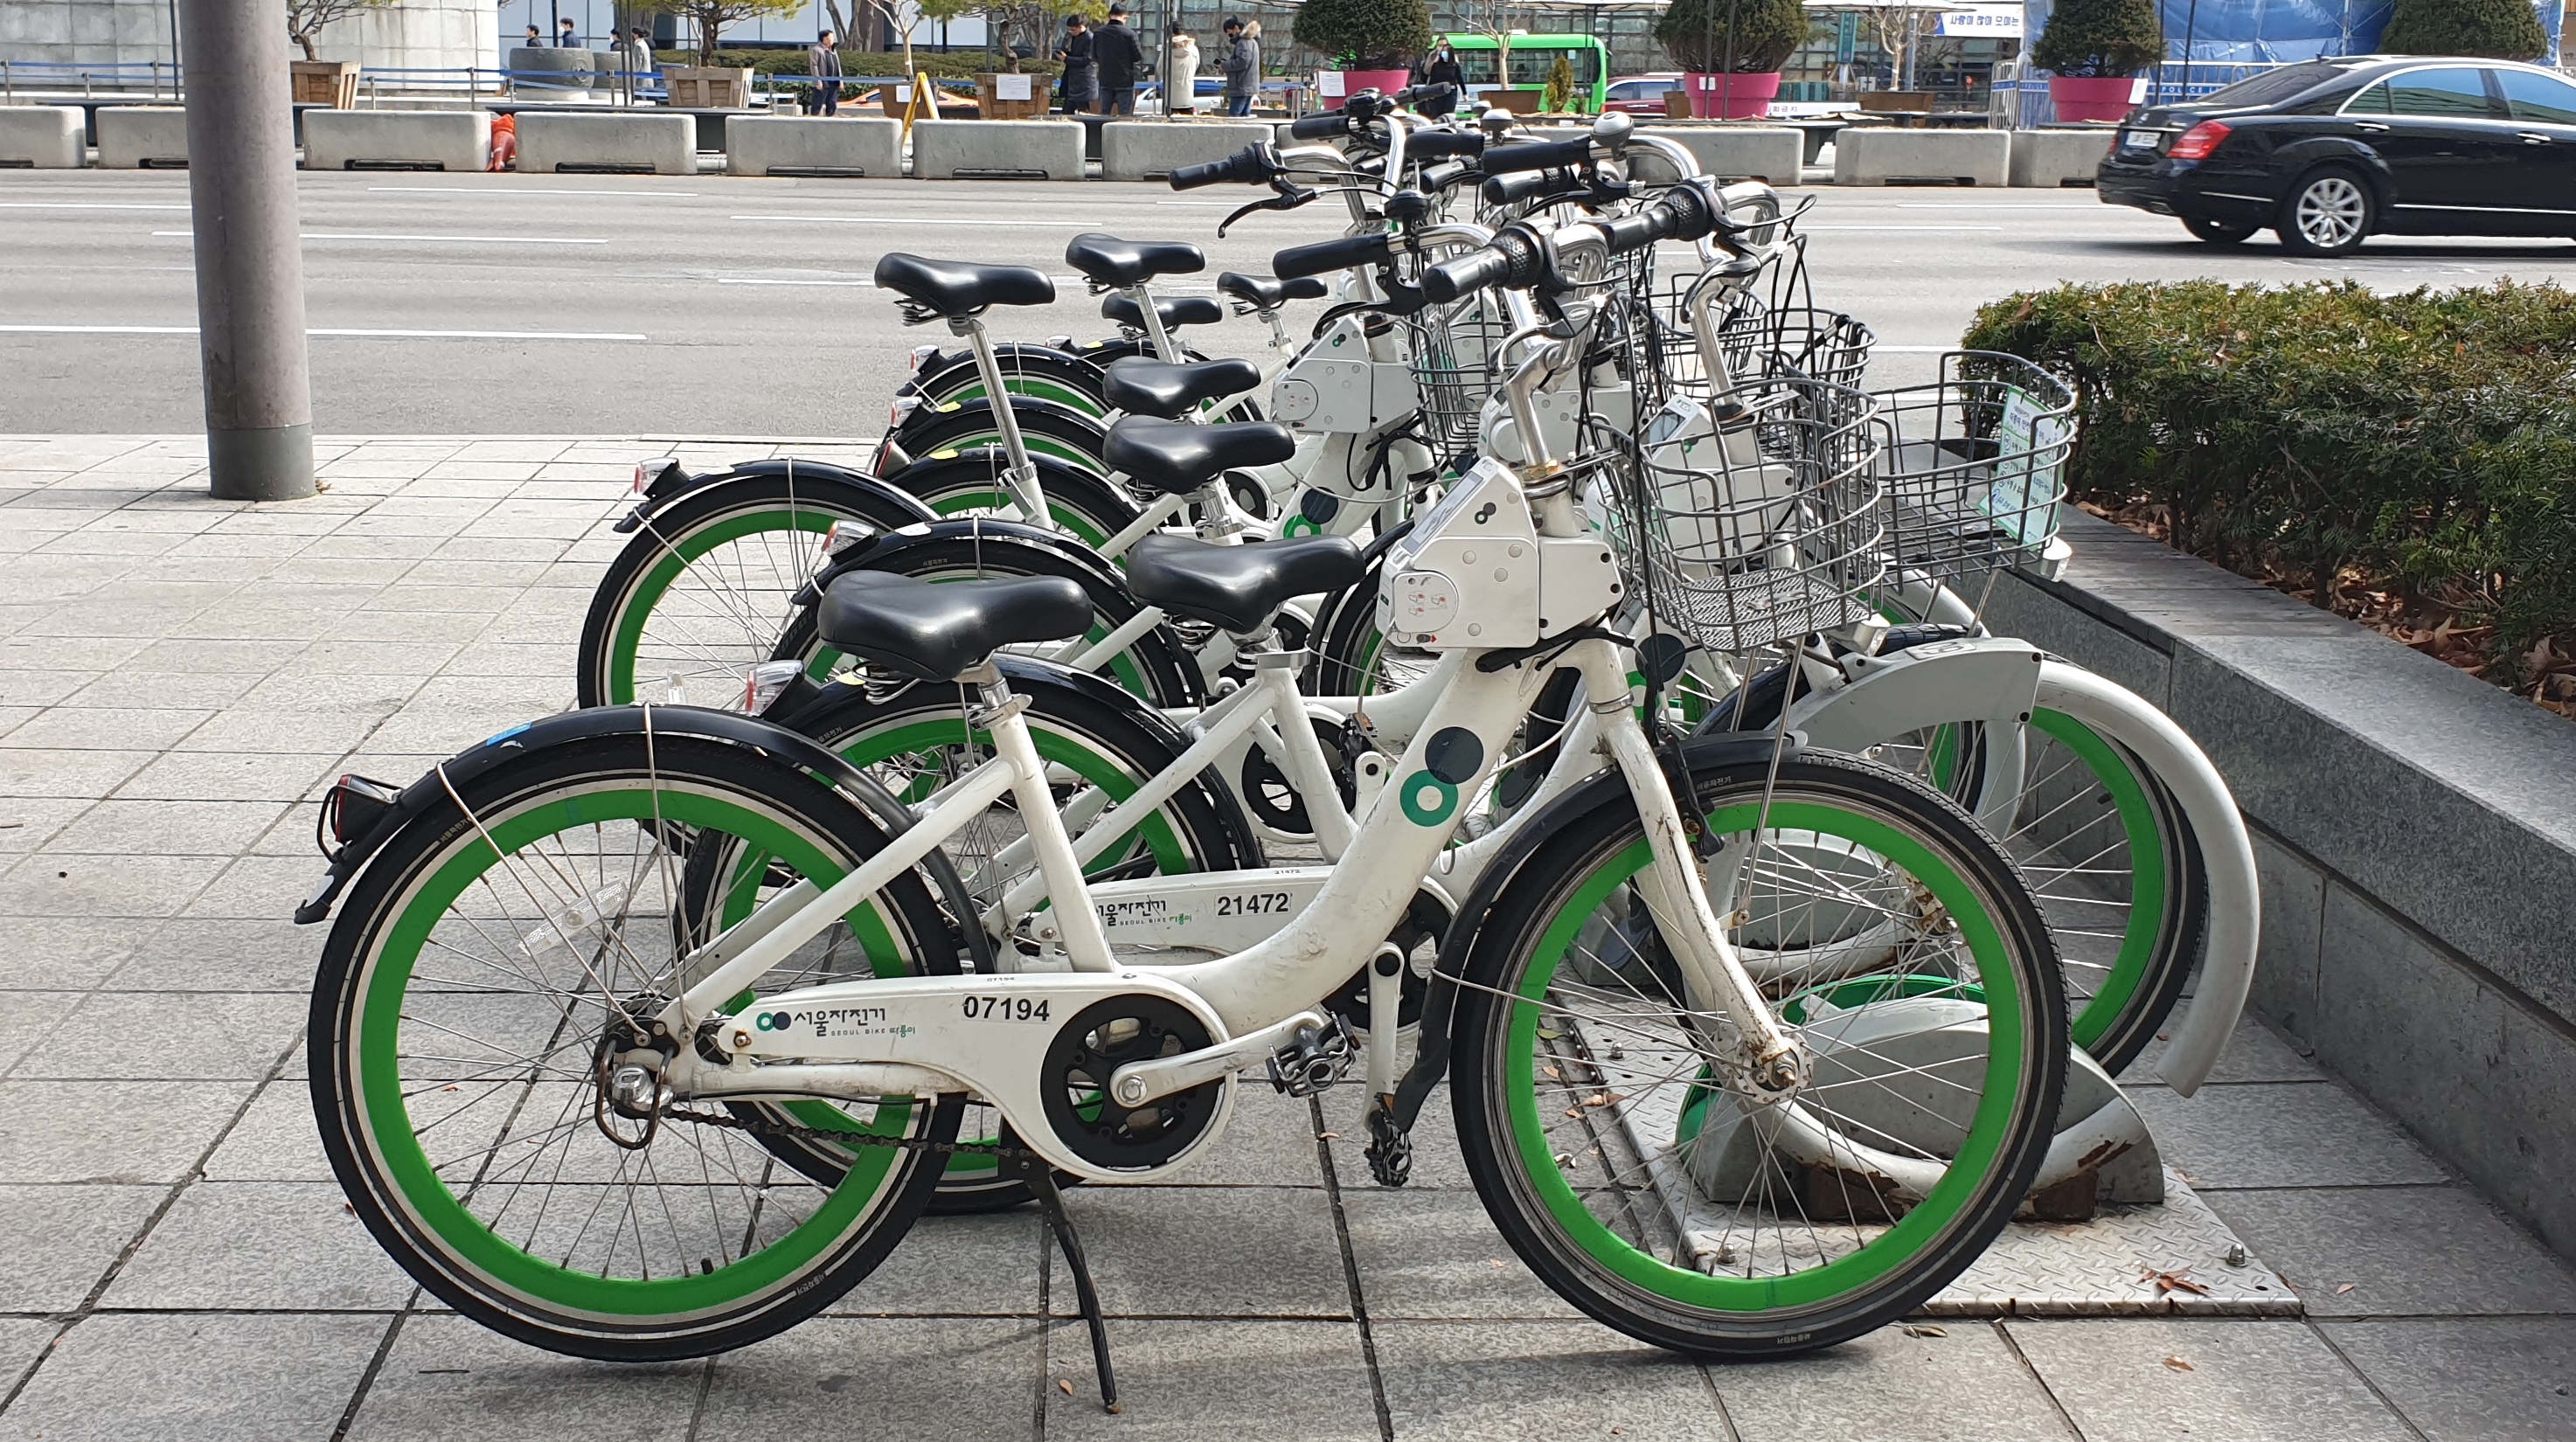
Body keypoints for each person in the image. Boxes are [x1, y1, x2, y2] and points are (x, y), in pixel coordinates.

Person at [1092, 3, 1142, 116]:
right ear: (1124, 17)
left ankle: (1102, 128)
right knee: (1125, 115)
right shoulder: (1130, 34)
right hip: (1125, 79)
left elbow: (1094, 55)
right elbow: (1137, 57)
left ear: (1110, 16)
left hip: (1105, 78)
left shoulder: (1098, 33)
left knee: (1104, 112)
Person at [1057, 14, 1096, 114]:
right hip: (1072, 79)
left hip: (1083, 81)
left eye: (1073, 30)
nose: (1071, 32)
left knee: (1083, 111)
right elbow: (1067, 49)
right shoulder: (1072, 37)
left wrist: (1067, 59)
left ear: (1081, 27)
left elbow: (1087, 60)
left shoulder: (1090, 38)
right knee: (1067, 111)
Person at [1220, 16, 1259, 116]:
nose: (1230, 36)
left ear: (1236, 28)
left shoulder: (1244, 42)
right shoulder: (1250, 42)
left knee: (1234, 116)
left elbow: (1242, 62)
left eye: (1230, 33)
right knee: (1244, 117)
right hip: (1246, 86)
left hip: (1241, 86)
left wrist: (1225, 65)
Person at [1165, 23, 1199, 114]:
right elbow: (1196, 65)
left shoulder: (1167, 50)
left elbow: (1160, 69)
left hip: (1171, 96)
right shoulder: (1193, 50)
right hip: (1187, 95)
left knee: (1169, 121)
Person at [809, 29, 843, 115]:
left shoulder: (833, 50)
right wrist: (817, 81)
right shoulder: (816, 50)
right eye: (831, 37)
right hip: (823, 82)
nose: (833, 39)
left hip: (834, 82)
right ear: (825, 39)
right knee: (818, 103)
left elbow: (838, 66)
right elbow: (814, 66)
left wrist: (841, 81)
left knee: (832, 103)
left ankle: (830, 118)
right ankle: (814, 118)